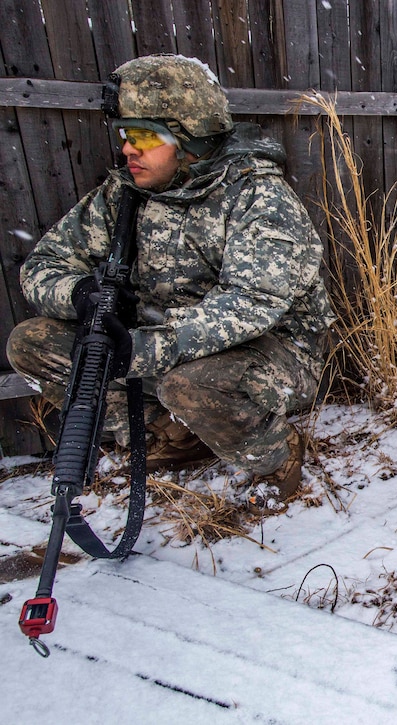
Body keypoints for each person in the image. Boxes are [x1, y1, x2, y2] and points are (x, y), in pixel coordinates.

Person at [6, 54, 334, 510]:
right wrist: (83, 295)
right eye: (125, 134)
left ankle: (275, 455)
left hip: (272, 353)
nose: (127, 150)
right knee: (32, 343)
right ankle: (176, 435)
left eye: (143, 136)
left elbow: (248, 305)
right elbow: (43, 265)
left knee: (188, 384)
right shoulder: (122, 195)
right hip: (157, 343)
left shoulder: (258, 196)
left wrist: (140, 349)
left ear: (188, 137)